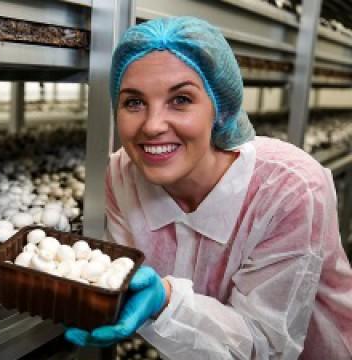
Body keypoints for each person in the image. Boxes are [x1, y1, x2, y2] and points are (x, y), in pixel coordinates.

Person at [64, 16, 352, 359]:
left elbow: (264, 345)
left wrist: (166, 300)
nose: (153, 126)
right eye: (134, 102)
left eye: (181, 99)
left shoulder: (290, 189)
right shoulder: (121, 175)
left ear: (220, 108)